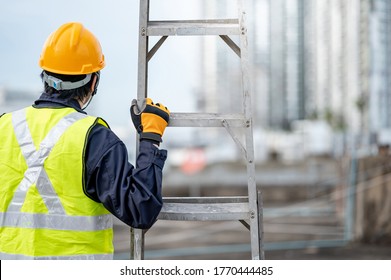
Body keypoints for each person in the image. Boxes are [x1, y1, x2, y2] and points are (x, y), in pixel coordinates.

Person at [0, 22, 170, 260]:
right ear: (93, 82)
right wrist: (150, 137)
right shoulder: (95, 137)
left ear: (45, 76)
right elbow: (140, 209)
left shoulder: (4, 127)